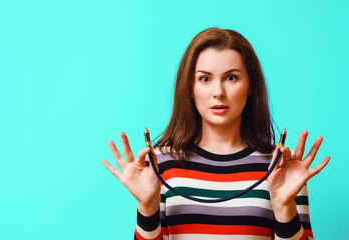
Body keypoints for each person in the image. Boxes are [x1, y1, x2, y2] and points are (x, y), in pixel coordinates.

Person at [101, 27, 330, 240]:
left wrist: (284, 208)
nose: (218, 92)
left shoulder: (282, 166)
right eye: (205, 79)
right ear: (190, 88)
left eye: (231, 77)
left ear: (250, 85)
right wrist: (147, 209)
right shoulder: (158, 163)